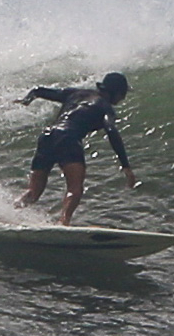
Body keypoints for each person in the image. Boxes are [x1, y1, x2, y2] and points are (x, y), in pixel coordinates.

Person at [14, 72, 138, 225]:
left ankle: (12, 211)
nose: (122, 98)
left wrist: (26, 101)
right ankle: (63, 222)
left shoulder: (75, 93)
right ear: (116, 92)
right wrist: (125, 166)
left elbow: (38, 91)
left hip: (47, 136)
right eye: (123, 94)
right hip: (68, 139)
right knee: (75, 189)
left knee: (33, 192)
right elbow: (111, 130)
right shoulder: (105, 107)